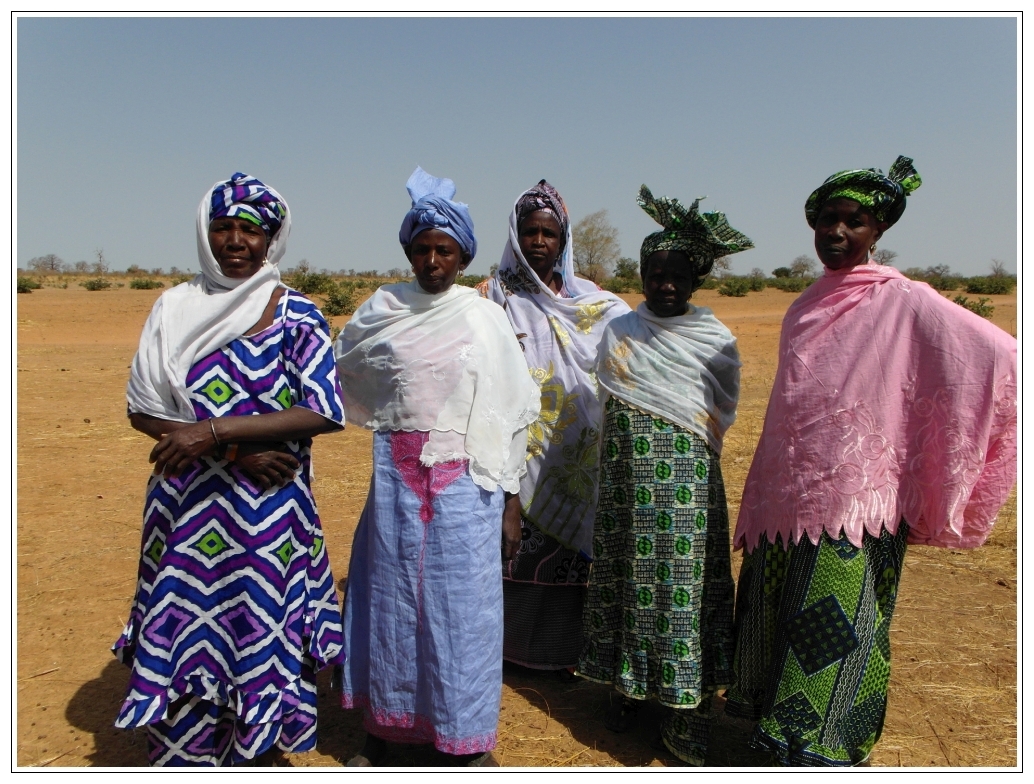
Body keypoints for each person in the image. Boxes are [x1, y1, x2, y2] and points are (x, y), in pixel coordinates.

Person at [725, 157, 1017, 766]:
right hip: (791, 491)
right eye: (826, 220)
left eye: (852, 221)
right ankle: (777, 731)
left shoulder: (905, 299)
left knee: (838, 622)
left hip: (859, 499)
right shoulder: (804, 304)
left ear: (876, 231)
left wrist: (915, 448)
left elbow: (993, 354)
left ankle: (825, 747)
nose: (836, 232)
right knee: (779, 610)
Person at [116, 173, 346, 766]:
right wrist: (230, 450)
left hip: (265, 515)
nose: (235, 241)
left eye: (251, 230)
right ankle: (186, 753)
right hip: (185, 510)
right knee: (184, 620)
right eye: (223, 227)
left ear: (272, 239)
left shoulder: (298, 314)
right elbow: (144, 409)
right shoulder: (174, 306)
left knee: (258, 622)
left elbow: (321, 411)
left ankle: (256, 750)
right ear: (205, 232)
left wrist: (214, 431)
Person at [334, 167, 541, 767]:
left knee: (462, 613)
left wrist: (510, 500)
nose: (432, 261)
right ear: (408, 251)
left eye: (444, 250)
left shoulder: (484, 319)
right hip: (396, 481)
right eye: (421, 249)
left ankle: (463, 739)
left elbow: (512, 411)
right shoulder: (383, 310)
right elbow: (347, 370)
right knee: (390, 602)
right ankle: (387, 734)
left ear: (463, 254)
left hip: (467, 488)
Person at [576, 186, 753, 765]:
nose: (667, 283)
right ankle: (630, 687)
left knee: (684, 595)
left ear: (696, 281)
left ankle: (685, 718)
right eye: (656, 272)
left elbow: (718, 410)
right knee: (629, 582)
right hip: (628, 486)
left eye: (679, 274)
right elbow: (611, 403)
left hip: (688, 497)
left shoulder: (714, 339)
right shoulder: (620, 332)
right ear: (643, 273)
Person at [478, 180, 630, 673]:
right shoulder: (493, 298)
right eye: (529, 232)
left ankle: (570, 655)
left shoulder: (594, 301)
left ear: (564, 240)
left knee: (573, 560)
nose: (539, 242)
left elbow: (628, 344)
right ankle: (513, 653)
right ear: (514, 235)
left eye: (549, 233)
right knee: (518, 551)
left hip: (578, 453)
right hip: (517, 453)